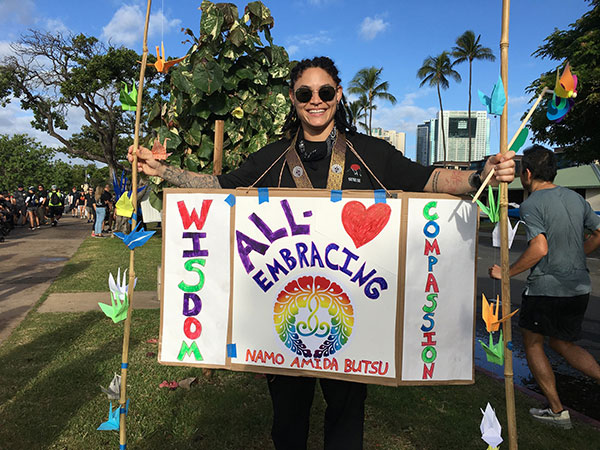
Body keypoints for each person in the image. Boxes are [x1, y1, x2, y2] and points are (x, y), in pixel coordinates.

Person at [129, 56, 515, 450]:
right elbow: (220, 185)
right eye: (305, 93)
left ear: (338, 95)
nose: (316, 100)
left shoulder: (371, 154)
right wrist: (163, 173)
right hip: (285, 323)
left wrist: (478, 175)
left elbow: (429, 179)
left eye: (325, 92)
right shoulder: (273, 157)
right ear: (293, 100)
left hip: (355, 321)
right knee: (287, 425)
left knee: (346, 424)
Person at [489, 145, 600, 430]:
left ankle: (557, 410)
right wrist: (577, 255)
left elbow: (539, 248)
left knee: (534, 342)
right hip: (578, 287)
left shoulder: (531, 204)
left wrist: (506, 274)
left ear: (526, 174)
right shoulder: (575, 199)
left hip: (546, 290)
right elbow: (598, 231)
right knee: (562, 343)